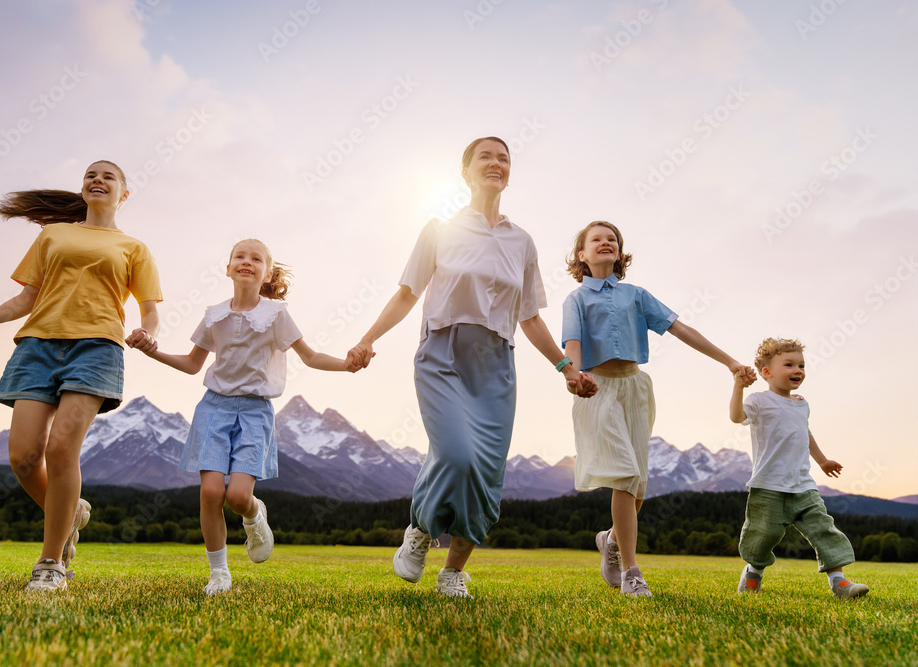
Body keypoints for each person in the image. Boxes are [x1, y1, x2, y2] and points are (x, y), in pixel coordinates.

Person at [349, 136, 597, 599]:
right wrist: (367, 339)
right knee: (456, 454)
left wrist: (566, 367)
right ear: (466, 171)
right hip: (443, 353)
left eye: (504, 158)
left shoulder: (522, 241)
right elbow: (407, 294)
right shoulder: (439, 229)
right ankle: (421, 529)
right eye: (485, 156)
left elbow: (529, 317)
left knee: (485, 472)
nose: (495, 163)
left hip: (497, 364)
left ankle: (453, 572)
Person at [0, 160, 162, 591]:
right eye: (90, 175)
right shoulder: (52, 235)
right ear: (83, 189)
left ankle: (51, 563)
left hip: (96, 348)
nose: (97, 180)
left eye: (108, 176)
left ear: (124, 193)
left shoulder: (133, 247)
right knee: (24, 458)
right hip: (37, 348)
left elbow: (150, 310)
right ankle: (69, 512)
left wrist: (147, 334)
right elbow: (27, 297)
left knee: (62, 449)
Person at [134, 238, 360, 595]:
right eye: (239, 256)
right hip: (213, 407)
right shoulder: (213, 314)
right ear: (227, 269)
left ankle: (255, 517)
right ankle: (219, 573)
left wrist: (346, 365)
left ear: (266, 272)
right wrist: (153, 351)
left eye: (256, 258)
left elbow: (311, 356)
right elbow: (193, 365)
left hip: (255, 412)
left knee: (237, 497)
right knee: (211, 492)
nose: (246, 261)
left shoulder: (276, 315)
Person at [562, 220, 755, 597]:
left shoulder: (636, 295)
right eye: (596, 239)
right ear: (581, 255)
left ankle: (611, 541)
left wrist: (729, 361)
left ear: (619, 253)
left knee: (638, 486)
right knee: (623, 476)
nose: (606, 242)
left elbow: (682, 330)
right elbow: (572, 342)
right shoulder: (577, 300)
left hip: (635, 389)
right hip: (596, 389)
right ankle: (633, 573)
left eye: (612, 239)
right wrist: (572, 374)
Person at [729, 337, 868, 598]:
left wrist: (822, 460)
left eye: (801, 366)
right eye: (789, 365)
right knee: (764, 534)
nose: (798, 370)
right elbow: (737, 417)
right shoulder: (759, 400)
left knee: (823, 528)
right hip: (768, 485)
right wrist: (738, 387)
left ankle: (839, 582)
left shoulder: (801, 403)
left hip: (802, 485)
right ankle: (753, 571)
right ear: (767, 373)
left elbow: (805, 433)